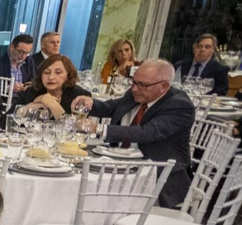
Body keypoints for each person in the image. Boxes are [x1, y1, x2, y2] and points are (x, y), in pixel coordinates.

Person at [77, 58, 195, 207]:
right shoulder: (137, 93)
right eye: (133, 82)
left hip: (156, 177)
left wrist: (98, 128)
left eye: (143, 85)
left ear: (164, 86)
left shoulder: (179, 105)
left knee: (94, 193)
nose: (134, 88)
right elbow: (112, 107)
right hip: (118, 165)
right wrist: (89, 104)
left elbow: (148, 133)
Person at [11, 54, 92, 120]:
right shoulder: (32, 91)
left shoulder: (79, 95)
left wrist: (51, 104)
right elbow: (4, 122)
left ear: (68, 75)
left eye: (58, 72)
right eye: (46, 72)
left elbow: (79, 128)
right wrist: (29, 107)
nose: (51, 77)